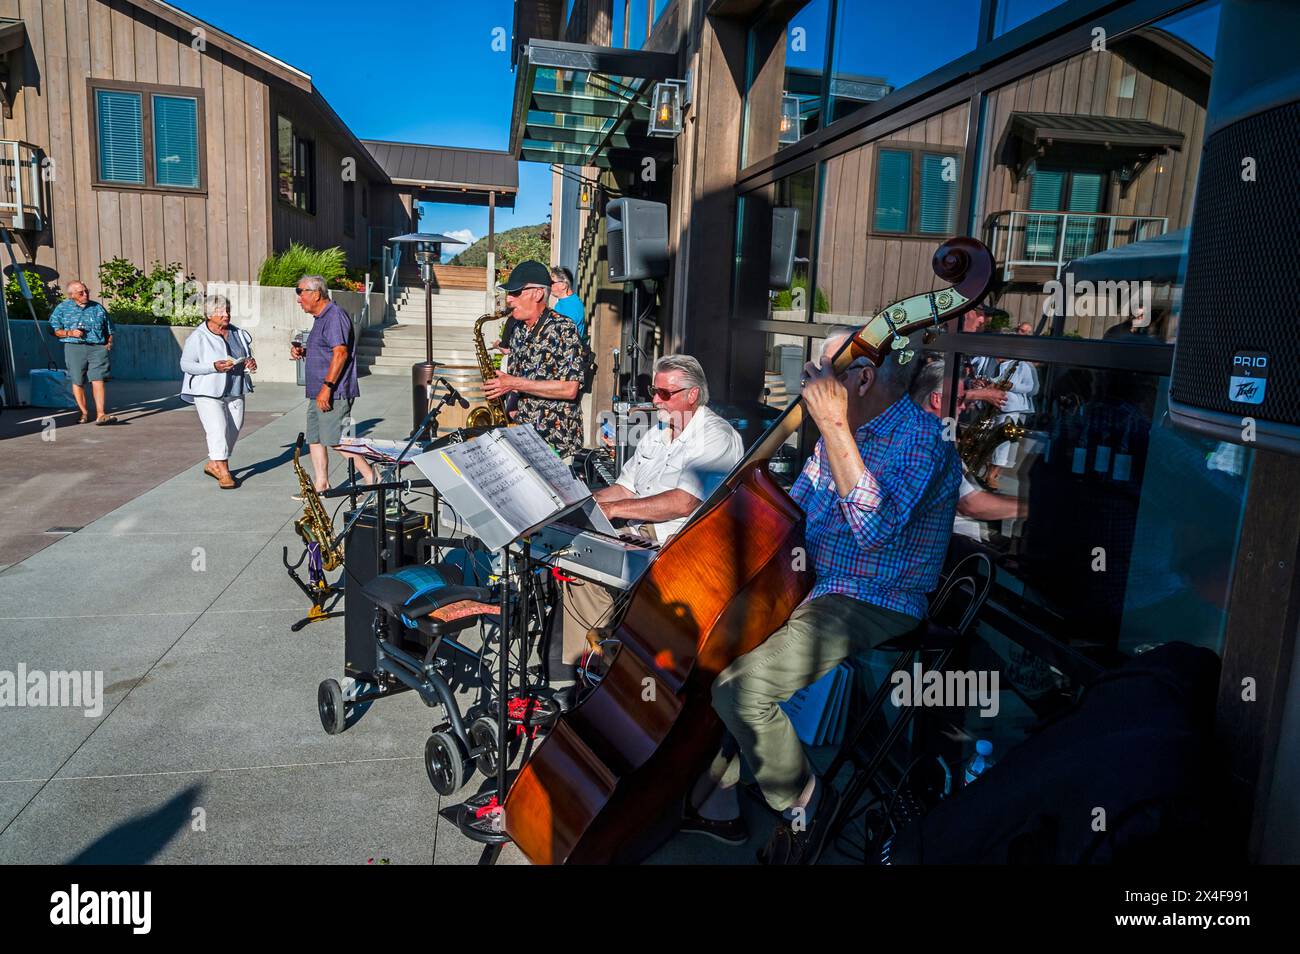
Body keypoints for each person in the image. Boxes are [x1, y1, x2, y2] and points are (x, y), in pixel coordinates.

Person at [682, 326, 960, 864]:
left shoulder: (924, 439)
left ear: (861, 378)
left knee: (743, 690)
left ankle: (807, 802)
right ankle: (718, 798)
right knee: (706, 649)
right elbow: (795, 513)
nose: (807, 383)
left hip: (873, 596)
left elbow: (873, 529)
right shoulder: (843, 430)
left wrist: (833, 425)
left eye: (818, 373)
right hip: (811, 580)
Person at [554, 355, 743, 675]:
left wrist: (613, 510)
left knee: (584, 560)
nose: (655, 399)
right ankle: (590, 669)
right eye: (653, 390)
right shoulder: (659, 430)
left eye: (664, 393)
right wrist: (578, 502)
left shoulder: (716, 437)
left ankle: (597, 670)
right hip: (641, 527)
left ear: (692, 394)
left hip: (679, 540)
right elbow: (625, 487)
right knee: (570, 546)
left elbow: (684, 502)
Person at [909, 359, 1025, 537]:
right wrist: (1035, 507)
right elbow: (970, 505)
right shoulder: (930, 442)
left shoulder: (911, 427)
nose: (964, 406)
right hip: (943, 538)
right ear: (937, 399)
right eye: (960, 399)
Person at [483, 261, 585, 460]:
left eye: (516, 292)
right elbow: (515, 377)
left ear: (538, 293)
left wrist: (513, 383)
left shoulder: (564, 328)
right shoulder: (518, 330)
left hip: (556, 440)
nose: (509, 299)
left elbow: (570, 389)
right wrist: (509, 404)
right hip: (522, 433)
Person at [287, 274, 375, 493]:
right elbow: (329, 349)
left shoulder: (334, 316)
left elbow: (340, 353)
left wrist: (327, 388)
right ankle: (322, 483)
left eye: (301, 292)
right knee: (315, 438)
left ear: (316, 294)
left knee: (337, 440)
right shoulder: (321, 318)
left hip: (333, 392)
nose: (298, 299)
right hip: (318, 392)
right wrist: (305, 351)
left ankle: (373, 478)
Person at [180, 295, 257, 489]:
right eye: (220, 311)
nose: (226, 315)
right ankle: (223, 471)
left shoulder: (238, 333)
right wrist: (212, 367)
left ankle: (214, 462)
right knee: (218, 429)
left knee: (234, 429)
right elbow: (186, 365)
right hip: (207, 389)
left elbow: (246, 355)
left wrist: (249, 362)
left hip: (235, 387)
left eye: (227, 310)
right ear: (208, 315)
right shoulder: (198, 337)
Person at [48, 281, 117, 425]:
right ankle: (84, 413)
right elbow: (54, 330)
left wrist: (109, 343)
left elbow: (109, 328)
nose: (85, 294)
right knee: (78, 380)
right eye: (81, 292)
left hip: (97, 347)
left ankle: (101, 414)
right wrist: (70, 333)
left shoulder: (97, 307)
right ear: (71, 295)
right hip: (74, 347)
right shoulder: (62, 309)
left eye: (86, 291)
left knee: (98, 378)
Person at [548, 265, 586, 341]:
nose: (549, 285)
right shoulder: (561, 303)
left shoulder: (572, 307)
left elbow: (566, 337)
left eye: (552, 282)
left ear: (563, 285)